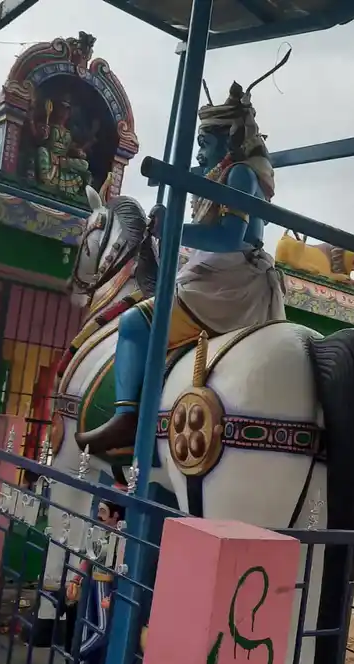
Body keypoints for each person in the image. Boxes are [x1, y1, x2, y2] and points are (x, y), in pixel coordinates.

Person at [75, 63, 289, 455]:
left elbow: (228, 236)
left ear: (227, 139)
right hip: (220, 275)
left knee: (135, 323)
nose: (200, 149)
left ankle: (127, 417)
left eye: (205, 140)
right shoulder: (226, 173)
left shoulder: (240, 174)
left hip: (228, 283)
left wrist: (172, 230)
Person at [63, 492, 125, 664]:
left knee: (103, 628)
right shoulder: (99, 533)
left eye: (103, 512)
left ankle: (78, 653)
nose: (99, 515)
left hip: (107, 585)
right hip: (93, 583)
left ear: (115, 515)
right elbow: (88, 558)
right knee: (89, 623)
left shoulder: (121, 539)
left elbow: (122, 568)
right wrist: (76, 578)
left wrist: (114, 596)